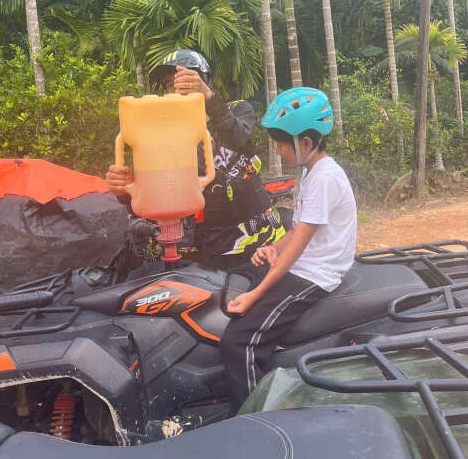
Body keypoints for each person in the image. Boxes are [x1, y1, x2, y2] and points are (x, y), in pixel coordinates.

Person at [220, 86, 357, 407]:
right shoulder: (312, 172)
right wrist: (273, 248)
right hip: (302, 262)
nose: (278, 150)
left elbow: (299, 246)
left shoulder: (324, 178)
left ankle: (257, 420)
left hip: (314, 273)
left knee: (239, 343)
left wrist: (256, 293)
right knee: (237, 274)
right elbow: (296, 231)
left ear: (306, 143)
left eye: (282, 143)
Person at [105, 49, 285, 270]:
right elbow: (156, 194)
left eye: (187, 79)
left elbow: (242, 141)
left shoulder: (235, 109)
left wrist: (208, 98)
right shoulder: (165, 133)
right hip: (208, 245)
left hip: (259, 238)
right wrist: (124, 190)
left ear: (204, 81)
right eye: (171, 84)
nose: (179, 88)